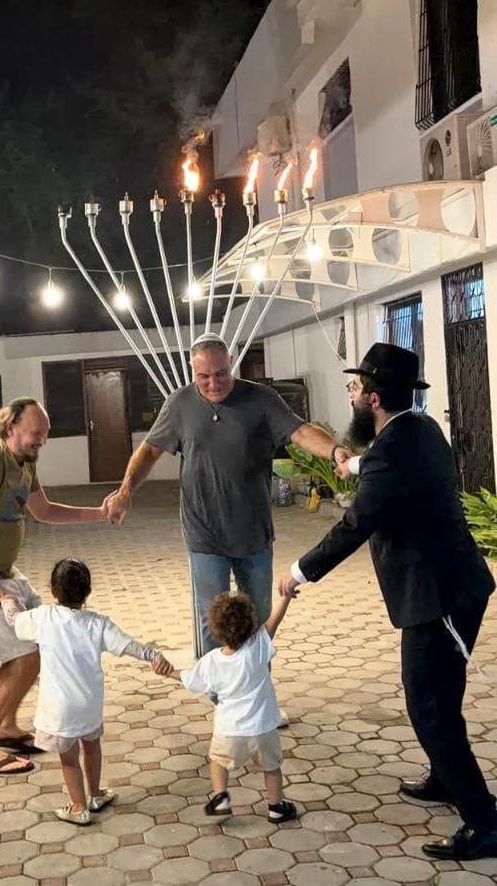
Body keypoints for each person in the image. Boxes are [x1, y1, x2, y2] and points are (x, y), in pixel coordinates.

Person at [278, 342, 496, 861]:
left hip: (437, 596)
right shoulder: (419, 430)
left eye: (355, 388)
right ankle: (446, 778)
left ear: (373, 398)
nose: (351, 395)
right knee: (439, 698)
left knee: (429, 707)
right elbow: (383, 468)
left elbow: (356, 525)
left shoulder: (392, 453)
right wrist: (355, 465)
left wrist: (298, 571)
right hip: (452, 586)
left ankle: (484, 823)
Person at [106, 332, 351, 658]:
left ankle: (256, 690)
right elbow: (150, 450)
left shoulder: (261, 399)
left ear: (231, 364)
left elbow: (301, 432)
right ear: (193, 371)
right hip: (204, 533)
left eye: (220, 374)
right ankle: (218, 698)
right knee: (211, 620)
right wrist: (125, 492)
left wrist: (334, 450)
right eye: (203, 376)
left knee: (257, 618)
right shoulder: (179, 404)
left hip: (254, 534)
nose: (213, 383)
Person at [0, 397, 110, 775]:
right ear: (11, 428)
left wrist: (99, 513)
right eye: (36, 433)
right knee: (23, 657)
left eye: (46, 434)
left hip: (3, 571)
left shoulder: (24, 463)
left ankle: (5, 727)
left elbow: (44, 511)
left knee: (29, 645)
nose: (42, 441)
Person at [0, 557, 165, 824]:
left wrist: (9, 600)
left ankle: (78, 807)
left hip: (59, 709)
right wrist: (153, 655)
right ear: (88, 592)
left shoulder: (43, 618)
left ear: (53, 592)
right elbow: (128, 645)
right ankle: (96, 794)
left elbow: (14, 620)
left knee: (68, 758)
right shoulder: (98, 624)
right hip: (89, 705)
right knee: (91, 747)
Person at [156, 590, 297, 821]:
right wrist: (286, 597)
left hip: (229, 731)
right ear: (251, 623)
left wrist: (167, 671)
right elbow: (274, 621)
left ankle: (221, 797)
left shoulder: (211, 661)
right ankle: (276, 806)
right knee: (271, 768)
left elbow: (190, 679)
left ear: (216, 631)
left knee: (218, 761)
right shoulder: (257, 647)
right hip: (263, 728)